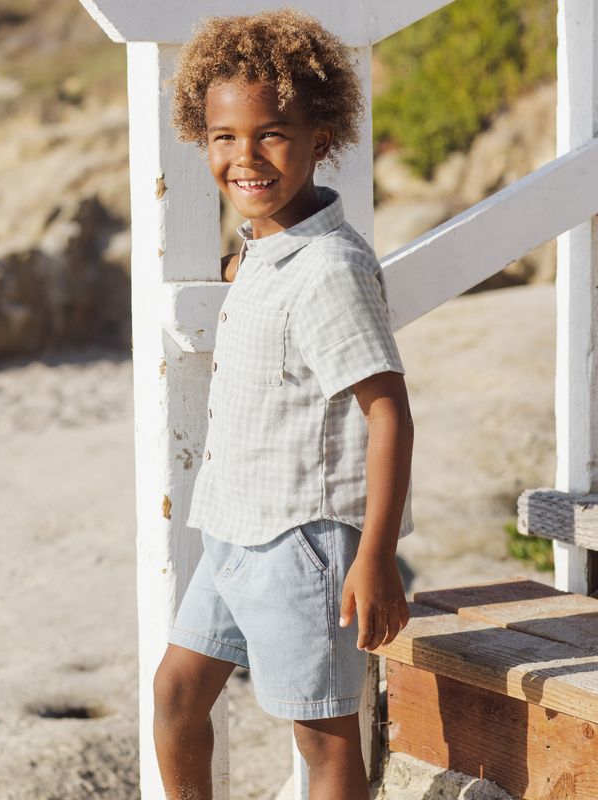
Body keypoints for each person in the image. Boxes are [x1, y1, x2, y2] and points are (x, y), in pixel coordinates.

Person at [153, 8, 414, 799]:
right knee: (175, 696)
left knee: (323, 736)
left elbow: (389, 411)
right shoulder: (266, 248)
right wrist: (245, 264)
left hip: (304, 544)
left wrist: (374, 556)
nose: (246, 156)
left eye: (273, 134)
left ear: (320, 136)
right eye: (225, 137)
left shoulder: (328, 267)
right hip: (233, 529)